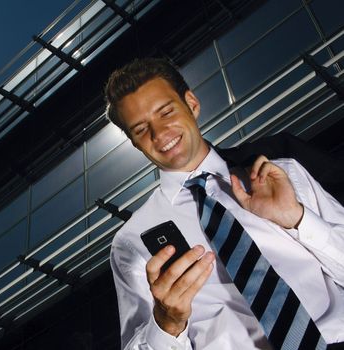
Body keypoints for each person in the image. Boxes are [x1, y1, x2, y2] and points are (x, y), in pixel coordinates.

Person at [105, 57, 344, 349]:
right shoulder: (131, 241)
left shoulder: (281, 173)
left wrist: (297, 218)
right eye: (141, 129)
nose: (159, 133)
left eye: (166, 112)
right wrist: (166, 323)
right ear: (134, 143)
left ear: (191, 104)